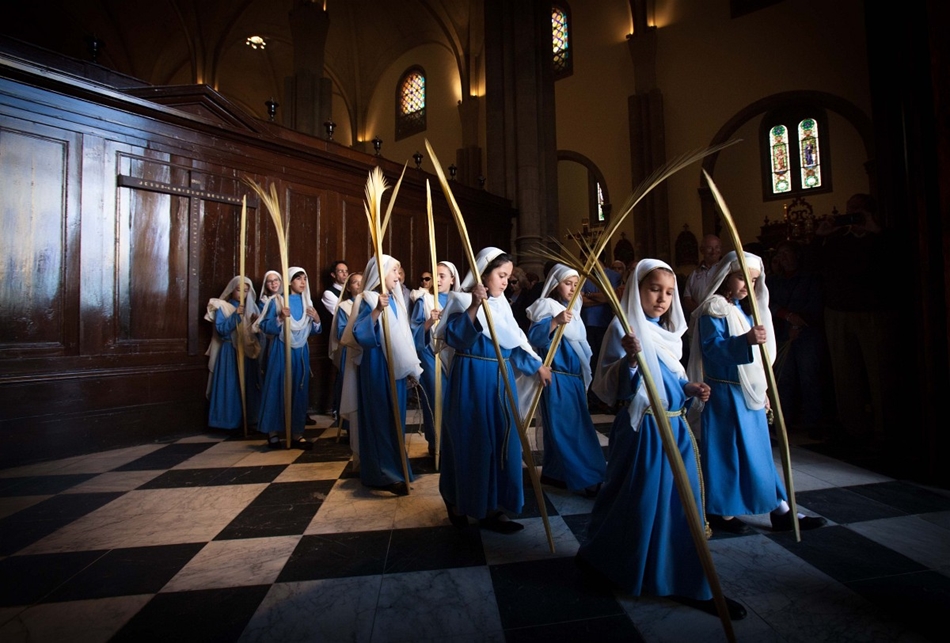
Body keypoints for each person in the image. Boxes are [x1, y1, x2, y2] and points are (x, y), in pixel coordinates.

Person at [576, 259, 746, 620]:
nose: (663, 298)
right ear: (637, 290)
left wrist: (689, 388)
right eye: (654, 289)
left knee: (678, 505)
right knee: (634, 500)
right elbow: (614, 389)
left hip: (675, 426)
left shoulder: (666, 334)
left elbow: (669, 380)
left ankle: (685, 577)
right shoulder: (624, 331)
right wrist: (632, 361)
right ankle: (610, 560)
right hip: (643, 432)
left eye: (669, 292)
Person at [687, 251, 827, 534]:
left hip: (745, 394)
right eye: (741, 278)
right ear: (726, 276)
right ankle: (721, 511)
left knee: (758, 452)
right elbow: (712, 349)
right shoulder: (714, 308)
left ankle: (780, 508)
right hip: (726, 394)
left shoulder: (739, 308)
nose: (747, 286)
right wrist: (745, 341)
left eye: (752, 280)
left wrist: (760, 387)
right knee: (729, 453)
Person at [436, 247, 552, 533]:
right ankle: (459, 501)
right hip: (471, 379)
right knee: (472, 443)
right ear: (482, 275)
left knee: (503, 442)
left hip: (500, 381)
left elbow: (514, 343)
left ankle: (493, 506)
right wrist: (474, 306)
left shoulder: (502, 307)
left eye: (509, 277)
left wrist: (536, 366)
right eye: (501, 275)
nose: (505, 282)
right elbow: (454, 338)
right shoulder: (461, 300)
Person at [815, 194, 896, 451]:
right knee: (844, 373)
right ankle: (853, 428)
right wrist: (822, 236)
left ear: (869, 213)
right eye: (849, 210)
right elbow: (814, 266)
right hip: (838, 310)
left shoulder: (881, 238)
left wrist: (875, 230)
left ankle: (885, 430)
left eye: (857, 211)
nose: (851, 215)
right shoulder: (838, 239)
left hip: (871, 311)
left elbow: (893, 265)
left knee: (879, 371)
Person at [342, 255, 422, 495]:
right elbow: (360, 335)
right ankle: (381, 473)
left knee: (394, 417)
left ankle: (397, 467)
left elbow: (404, 338)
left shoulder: (396, 300)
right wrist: (377, 310)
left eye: (398, 272)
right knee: (379, 417)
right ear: (381, 273)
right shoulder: (367, 299)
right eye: (394, 271)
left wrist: (408, 367)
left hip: (394, 368)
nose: (398, 277)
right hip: (376, 364)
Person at [526, 264, 605, 496]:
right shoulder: (547, 307)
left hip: (573, 379)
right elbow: (535, 337)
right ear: (555, 284)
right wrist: (555, 322)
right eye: (567, 283)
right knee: (567, 429)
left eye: (576, 285)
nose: (572, 289)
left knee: (568, 427)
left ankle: (555, 473)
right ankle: (587, 478)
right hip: (557, 377)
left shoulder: (574, 312)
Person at [257, 267, 321, 450]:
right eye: (298, 278)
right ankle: (273, 433)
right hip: (281, 349)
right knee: (277, 388)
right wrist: (279, 318)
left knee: (299, 391)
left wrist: (316, 319)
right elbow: (264, 326)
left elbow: (315, 331)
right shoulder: (277, 301)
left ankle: (296, 434)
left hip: (301, 351)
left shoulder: (307, 302)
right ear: (289, 282)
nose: (302, 282)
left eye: (305, 278)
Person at [768, 241, 827, 432]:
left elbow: (815, 304)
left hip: (806, 332)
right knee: (784, 378)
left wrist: (798, 321)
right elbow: (769, 302)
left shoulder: (810, 278)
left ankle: (813, 423)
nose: (783, 258)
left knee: (809, 377)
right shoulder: (775, 280)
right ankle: (784, 422)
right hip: (783, 332)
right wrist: (786, 316)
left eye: (787, 253)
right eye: (780, 254)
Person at [410, 261, 461, 457]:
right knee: (435, 397)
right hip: (431, 354)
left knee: (455, 400)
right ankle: (437, 443)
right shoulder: (424, 300)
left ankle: (454, 442)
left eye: (442, 276)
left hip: (454, 356)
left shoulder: (459, 300)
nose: (438, 280)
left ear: (452, 279)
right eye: (435, 276)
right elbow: (413, 332)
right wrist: (429, 321)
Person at [205, 276, 261, 430]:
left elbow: (251, 333)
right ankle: (228, 421)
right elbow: (222, 330)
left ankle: (249, 420)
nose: (242, 294)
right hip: (230, 352)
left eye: (246, 291)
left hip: (246, 351)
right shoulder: (223, 307)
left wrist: (255, 323)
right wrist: (236, 315)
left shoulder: (250, 309)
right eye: (239, 290)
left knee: (248, 384)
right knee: (231, 385)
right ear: (232, 290)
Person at [580, 256, 622, 411]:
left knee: (605, 361)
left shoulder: (614, 276)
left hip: (606, 324)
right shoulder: (584, 275)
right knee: (591, 361)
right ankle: (593, 399)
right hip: (588, 324)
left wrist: (591, 296)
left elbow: (613, 297)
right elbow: (581, 300)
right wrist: (601, 298)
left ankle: (606, 399)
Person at [329, 271, 363, 450]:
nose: (358, 285)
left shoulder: (369, 303)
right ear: (349, 288)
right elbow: (342, 332)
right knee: (349, 388)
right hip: (349, 352)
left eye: (361, 282)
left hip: (366, 352)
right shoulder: (344, 307)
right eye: (355, 283)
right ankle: (350, 427)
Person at [682, 235, 722, 317]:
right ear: (702, 250)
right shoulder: (694, 274)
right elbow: (687, 299)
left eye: (717, 247)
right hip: (698, 319)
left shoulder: (726, 271)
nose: (714, 251)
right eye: (710, 248)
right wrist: (701, 312)